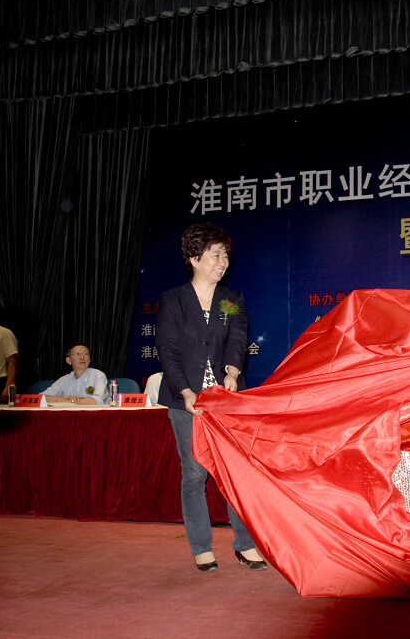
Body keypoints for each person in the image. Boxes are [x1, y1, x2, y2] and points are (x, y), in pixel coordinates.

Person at [155, 223, 267, 573]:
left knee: (236, 473)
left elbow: (237, 337)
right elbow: (167, 351)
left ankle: (245, 544)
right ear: (194, 258)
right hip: (185, 401)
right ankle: (201, 547)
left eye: (225, 255)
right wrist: (186, 391)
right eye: (215, 255)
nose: (223, 262)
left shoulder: (230, 300)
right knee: (194, 475)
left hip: (225, 400)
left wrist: (232, 372)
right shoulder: (174, 300)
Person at [42, 344, 109, 405]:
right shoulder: (64, 380)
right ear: (69, 360)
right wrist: (61, 399)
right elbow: (40, 398)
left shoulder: (98, 376)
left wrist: (71, 401)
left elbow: (97, 400)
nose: (82, 357)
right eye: (77, 354)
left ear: (89, 359)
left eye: (85, 354)